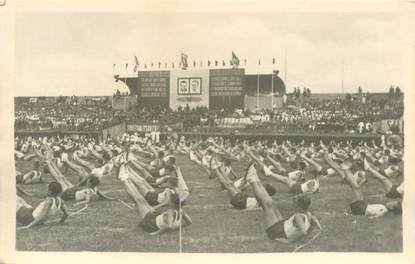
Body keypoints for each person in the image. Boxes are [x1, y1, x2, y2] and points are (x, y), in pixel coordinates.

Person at [244, 163, 322, 242]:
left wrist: (288, 241)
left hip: (276, 232)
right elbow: (305, 231)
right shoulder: (308, 214)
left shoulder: (299, 216)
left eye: (295, 204)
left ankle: (253, 181)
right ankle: (256, 180)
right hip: (282, 226)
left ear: (299, 206)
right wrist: (313, 225)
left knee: (266, 205)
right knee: (271, 203)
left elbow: (303, 232)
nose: (293, 206)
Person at [117, 161, 192, 234]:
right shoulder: (178, 212)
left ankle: (123, 179)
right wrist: (184, 217)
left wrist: (155, 233)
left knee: (138, 199)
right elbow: (189, 222)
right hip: (156, 215)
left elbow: (167, 227)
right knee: (141, 199)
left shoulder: (172, 214)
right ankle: (125, 177)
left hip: (151, 223)